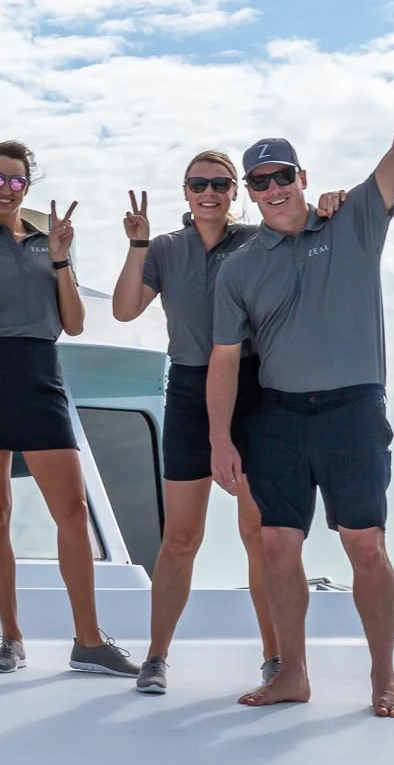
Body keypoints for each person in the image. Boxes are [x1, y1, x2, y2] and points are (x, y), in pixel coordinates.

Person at [211, 13, 394, 720]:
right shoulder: (241, 266)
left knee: (365, 545)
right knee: (276, 545)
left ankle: (383, 678)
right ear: (251, 194)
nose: (273, 188)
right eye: (259, 182)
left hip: (351, 408)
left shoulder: (352, 221)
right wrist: (221, 439)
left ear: (301, 176)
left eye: (282, 175)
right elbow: (225, 360)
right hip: (280, 419)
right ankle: (292, 674)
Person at [0, 143, 137, 676]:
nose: (5, 190)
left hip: (39, 373)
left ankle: (88, 640)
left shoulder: (49, 244)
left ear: (27, 188)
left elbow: (76, 323)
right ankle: (11, 637)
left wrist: (61, 256)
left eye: (16, 182)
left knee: (73, 512)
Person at [110, 154, 276, 695]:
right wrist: (137, 244)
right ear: (185, 192)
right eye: (199, 184)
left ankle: (275, 659)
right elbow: (124, 310)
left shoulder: (259, 240)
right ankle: (156, 657)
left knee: (258, 534)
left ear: (235, 192)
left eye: (220, 184)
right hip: (186, 390)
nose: (209, 192)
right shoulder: (163, 249)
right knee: (180, 538)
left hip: (251, 389)